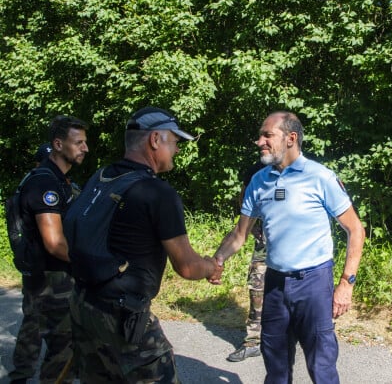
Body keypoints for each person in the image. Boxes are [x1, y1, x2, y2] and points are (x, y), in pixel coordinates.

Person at [68, 106, 222, 383]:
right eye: (174, 142)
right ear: (155, 140)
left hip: (83, 304)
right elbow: (186, 267)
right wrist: (211, 266)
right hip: (123, 316)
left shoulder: (103, 177)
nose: (176, 150)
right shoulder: (157, 192)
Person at [211, 111, 366, 383]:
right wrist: (218, 260)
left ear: (291, 138)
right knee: (276, 364)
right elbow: (239, 234)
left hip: (314, 283)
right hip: (274, 284)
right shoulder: (259, 181)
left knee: (321, 365)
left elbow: (355, 229)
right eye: (260, 135)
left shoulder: (320, 177)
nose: (260, 142)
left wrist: (346, 284)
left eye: (267, 135)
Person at [9, 116, 89, 384]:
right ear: (58, 144)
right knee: (63, 348)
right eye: (78, 143)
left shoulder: (59, 181)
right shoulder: (45, 183)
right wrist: (89, 265)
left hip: (49, 275)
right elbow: (54, 242)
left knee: (35, 331)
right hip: (51, 277)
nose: (85, 148)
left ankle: (21, 377)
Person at [227, 161, 267, 362]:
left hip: (293, 245)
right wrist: (250, 227)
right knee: (257, 286)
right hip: (264, 243)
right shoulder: (255, 170)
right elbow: (244, 196)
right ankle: (253, 342)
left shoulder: (299, 167)